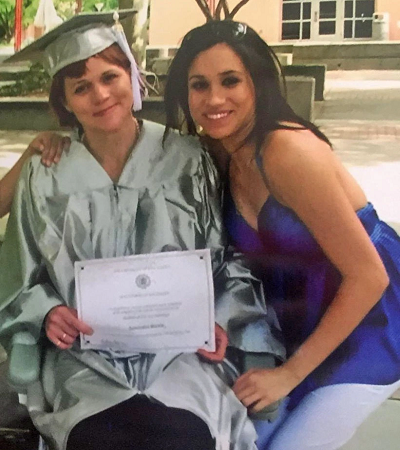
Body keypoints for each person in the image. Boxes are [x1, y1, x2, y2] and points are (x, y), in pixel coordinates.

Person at [0, 13, 285, 450]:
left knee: (183, 433)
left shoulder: (189, 158)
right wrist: (48, 312)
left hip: (180, 351)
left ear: (133, 77)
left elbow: (225, 258)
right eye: (80, 87)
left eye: (109, 76)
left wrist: (219, 316)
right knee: (98, 435)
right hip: (85, 354)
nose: (100, 95)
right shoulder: (45, 172)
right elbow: (21, 271)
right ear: (66, 103)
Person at [161, 20, 400, 450]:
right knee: (233, 440)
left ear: (258, 82)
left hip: (369, 325)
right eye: (199, 85)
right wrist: (55, 144)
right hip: (289, 325)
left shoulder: (288, 152)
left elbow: (370, 276)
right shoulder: (221, 151)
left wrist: (289, 375)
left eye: (230, 81)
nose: (214, 99)